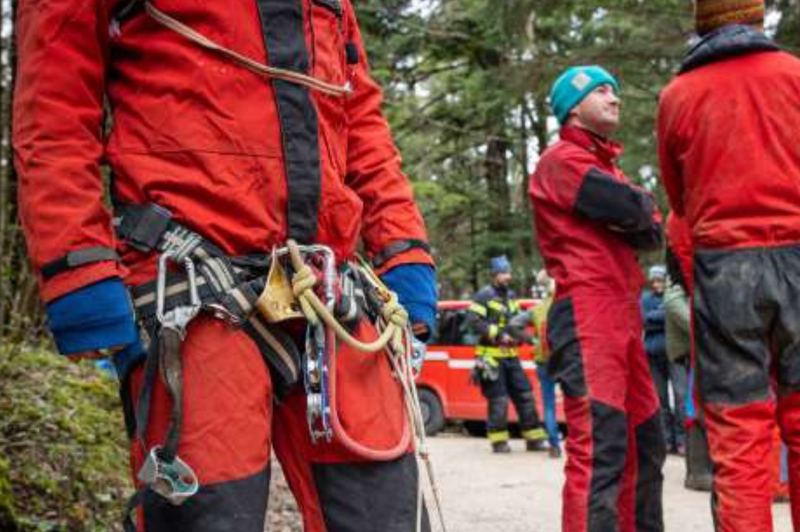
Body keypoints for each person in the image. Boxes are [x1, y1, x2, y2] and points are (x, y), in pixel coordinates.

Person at [13, 1, 438, 531]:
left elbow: (359, 117)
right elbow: (53, 103)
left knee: (388, 515)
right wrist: (78, 270)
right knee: (207, 517)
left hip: (327, 286)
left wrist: (405, 249)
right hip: (187, 283)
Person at [657, 0, 800, 529]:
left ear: (703, 21)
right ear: (756, 17)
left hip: (725, 270)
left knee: (739, 433)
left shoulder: (677, 96)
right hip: (798, 260)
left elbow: (680, 201)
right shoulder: (793, 76)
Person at [530, 65, 665, 532]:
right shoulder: (560, 160)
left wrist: (637, 210)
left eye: (616, 90)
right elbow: (635, 210)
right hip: (587, 314)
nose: (615, 98)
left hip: (623, 317)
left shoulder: (608, 169)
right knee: (600, 448)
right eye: (601, 90)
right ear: (573, 107)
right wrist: (637, 208)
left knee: (645, 442)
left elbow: (650, 230)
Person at [466, 256, 547, 453]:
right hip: (491, 358)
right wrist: (497, 334)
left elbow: (516, 323)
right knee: (499, 400)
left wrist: (522, 338)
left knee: (525, 395)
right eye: (503, 273)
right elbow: (473, 320)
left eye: (508, 272)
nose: (507, 276)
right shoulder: (483, 295)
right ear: (494, 275)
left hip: (511, 357)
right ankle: (499, 441)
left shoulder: (511, 297)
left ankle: (534, 439)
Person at [663, 213, 711, 490]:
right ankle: (698, 470)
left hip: (698, 344)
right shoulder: (675, 292)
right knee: (692, 402)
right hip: (690, 351)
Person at [510, 269, 563, 458]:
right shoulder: (565, 305)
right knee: (575, 403)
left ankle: (554, 445)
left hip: (543, 360)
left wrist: (532, 340)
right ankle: (579, 445)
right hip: (565, 362)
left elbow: (514, 324)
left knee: (549, 406)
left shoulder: (538, 309)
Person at [642, 265, 685, 455]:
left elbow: (676, 316)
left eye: (660, 280)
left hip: (674, 354)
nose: (657, 284)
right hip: (652, 355)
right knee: (660, 399)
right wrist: (665, 314)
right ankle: (666, 440)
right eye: (654, 281)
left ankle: (682, 440)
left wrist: (655, 317)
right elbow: (643, 319)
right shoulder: (645, 299)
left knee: (681, 396)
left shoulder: (673, 296)